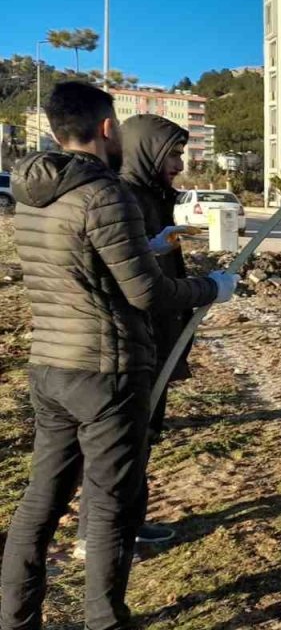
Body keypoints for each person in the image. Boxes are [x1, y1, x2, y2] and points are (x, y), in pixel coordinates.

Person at [1, 81, 238, 630]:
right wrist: (213, 288)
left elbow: (76, 263)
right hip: (107, 372)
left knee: (42, 499)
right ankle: (106, 621)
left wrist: (145, 248)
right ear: (108, 128)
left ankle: (16, 619)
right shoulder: (105, 194)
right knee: (110, 506)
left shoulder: (33, 194)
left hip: (50, 367)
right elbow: (148, 294)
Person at [71, 115, 195, 558]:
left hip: (152, 339)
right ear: (147, 151)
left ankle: (129, 524)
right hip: (130, 344)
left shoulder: (150, 198)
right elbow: (136, 284)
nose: (180, 164)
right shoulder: (127, 199)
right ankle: (99, 538)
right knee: (120, 445)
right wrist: (203, 290)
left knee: (138, 440)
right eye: (174, 155)